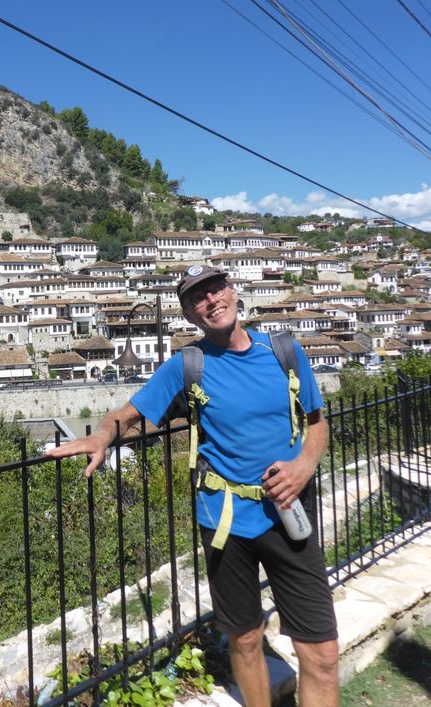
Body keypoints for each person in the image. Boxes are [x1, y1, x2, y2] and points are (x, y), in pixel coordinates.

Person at [48, 265, 339, 707]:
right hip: (225, 522)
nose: (210, 300)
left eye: (216, 288)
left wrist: (304, 464)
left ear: (234, 292)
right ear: (188, 314)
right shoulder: (188, 365)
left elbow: (316, 424)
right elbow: (127, 415)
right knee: (244, 641)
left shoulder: (284, 351)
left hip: (288, 514)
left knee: (320, 655)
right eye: (197, 297)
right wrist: (102, 435)